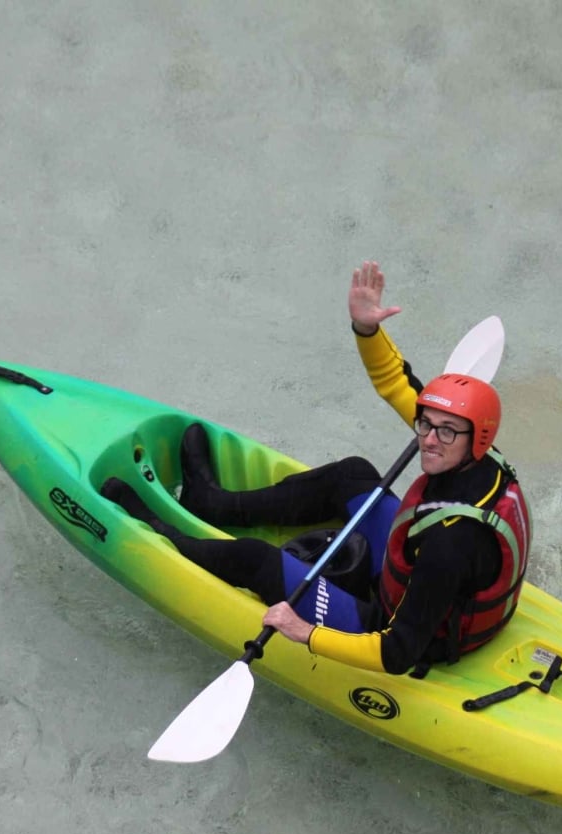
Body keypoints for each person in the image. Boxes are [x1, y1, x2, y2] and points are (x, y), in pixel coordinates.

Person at [102, 261, 531, 675]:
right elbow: (397, 383)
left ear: (477, 436)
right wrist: (367, 328)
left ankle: (164, 535)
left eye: (447, 432)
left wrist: (304, 632)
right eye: (426, 424)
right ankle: (212, 503)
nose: (430, 439)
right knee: (353, 475)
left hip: (395, 629)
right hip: (428, 586)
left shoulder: (449, 543)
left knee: (257, 561)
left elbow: (397, 653)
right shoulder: (477, 455)